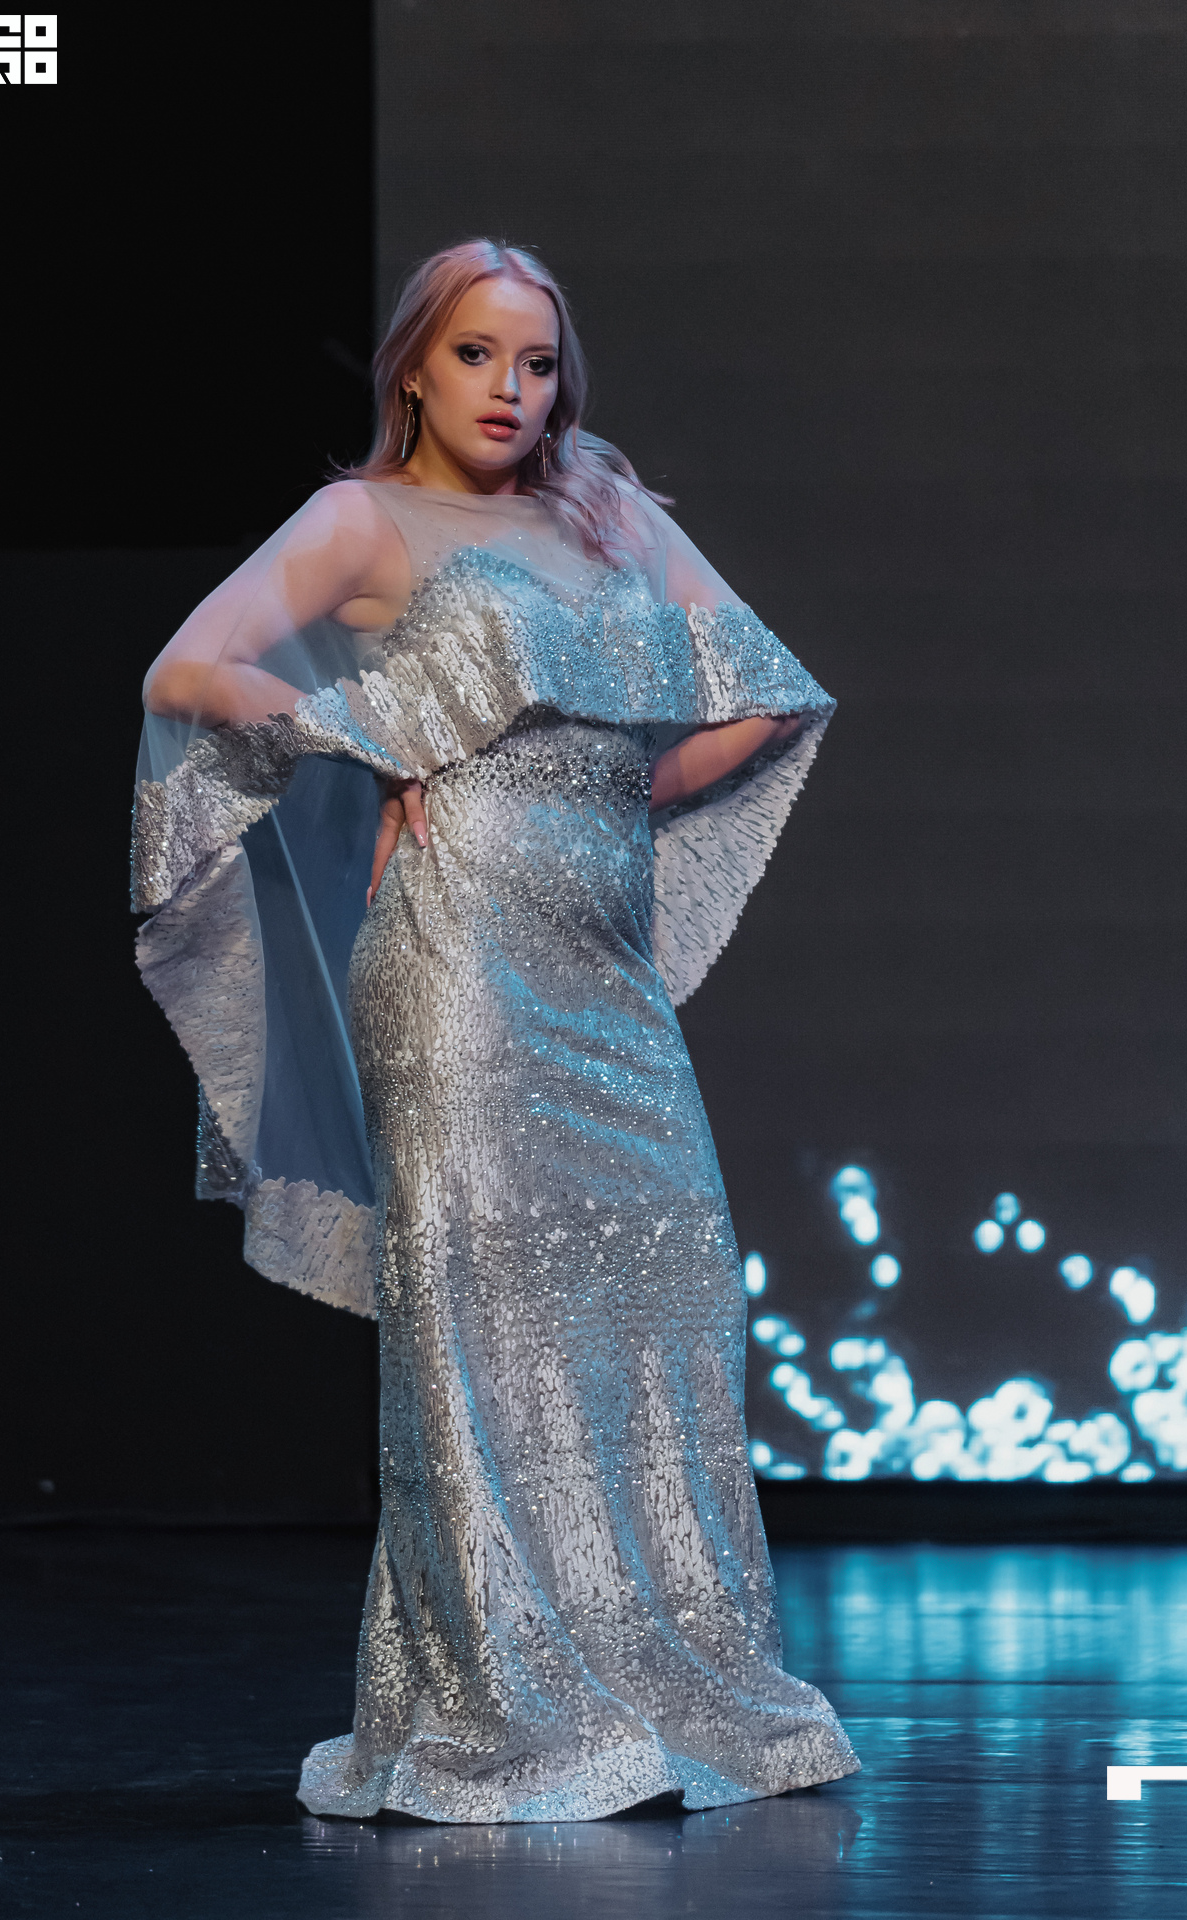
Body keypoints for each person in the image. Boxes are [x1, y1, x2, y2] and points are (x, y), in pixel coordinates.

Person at [135, 240, 858, 1822]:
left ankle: (672, 1679)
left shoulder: (605, 512)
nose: (510, 391)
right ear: (415, 366)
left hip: (604, 976)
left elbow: (771, 688)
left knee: (664, 1300)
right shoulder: (361, 521)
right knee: (480, 1322)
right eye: (477, 356)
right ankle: (502, 1703)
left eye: (536, 364)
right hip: (452, 961)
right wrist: (366, 735)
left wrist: (629, 783)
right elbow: (189, 666)